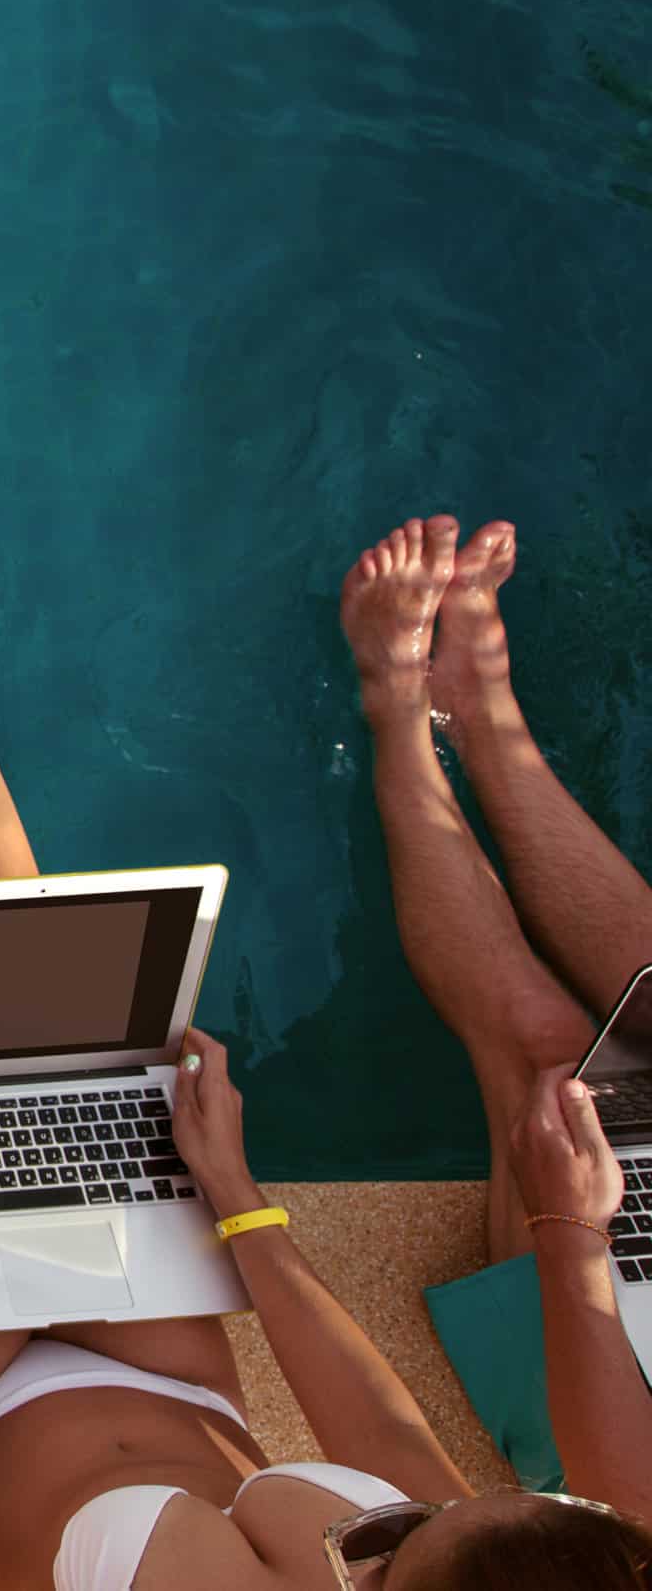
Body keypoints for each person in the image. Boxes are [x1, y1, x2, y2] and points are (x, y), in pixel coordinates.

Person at [0, 498, 652, 1590]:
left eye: (388, 1550)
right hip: (176, 1390)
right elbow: (388, 1441)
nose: (408, 1518)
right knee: (59, 1034)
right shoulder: (478, 1559)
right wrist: (239, 1197)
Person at [345, 513, 652, 1514]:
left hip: (608, 1432)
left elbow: (625, 1502)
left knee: (551, 1074)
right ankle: (480, 716)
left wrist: (573, 1228)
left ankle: (396, 711)